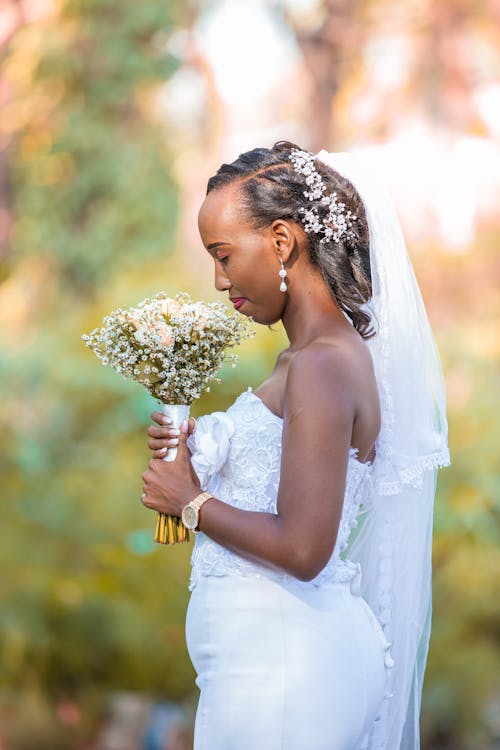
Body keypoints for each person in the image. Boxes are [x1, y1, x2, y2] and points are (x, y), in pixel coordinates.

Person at [140, 141, 450, 750]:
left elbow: (305, 546)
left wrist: (191, 502)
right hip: (274, 666)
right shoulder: (310, 359)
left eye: (224, 254)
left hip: (285, 676)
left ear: (282, 242)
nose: (218, 278)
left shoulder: (321, 365)